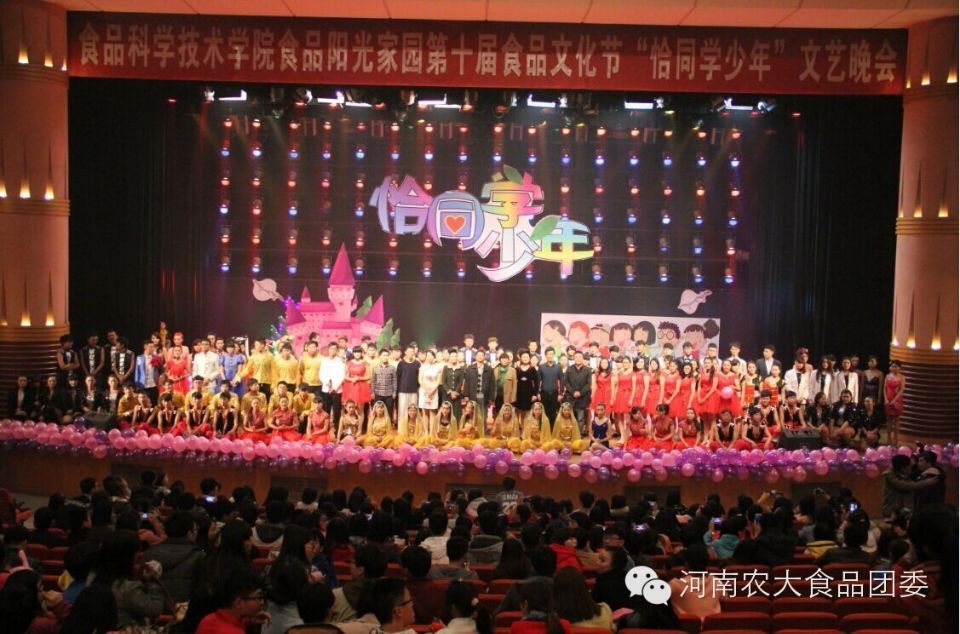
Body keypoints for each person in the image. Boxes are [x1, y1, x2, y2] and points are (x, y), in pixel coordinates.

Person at [92, 530, 165, 627]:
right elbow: (154, 609)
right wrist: (151, 579)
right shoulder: (127, 588)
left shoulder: (96, 579)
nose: (142, 554)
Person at [142, 511, 204, 604]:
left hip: (154, 606)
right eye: (195, 530)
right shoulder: (199, 556)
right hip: (186, 607)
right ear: (189, 533)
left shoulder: (149, 553)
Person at [195, 570, 270, 634]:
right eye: (259, 597)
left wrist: (251, 621)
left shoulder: (208, 619)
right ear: (238, 603)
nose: (262, 602)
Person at [464, 351, 495, 436]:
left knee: (483, 415)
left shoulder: (489, 369)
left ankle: (482, 433)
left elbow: (492, 384)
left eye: (482, 355)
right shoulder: (470, 368)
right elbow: (467, 382)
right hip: (473, 395)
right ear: (475, 357)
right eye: (478, 355)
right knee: (472, 414)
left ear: (484, 357)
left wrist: (491, 398)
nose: (480, 357)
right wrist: (466, 395)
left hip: (484, 396)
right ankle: (473, 432)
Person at [563, 352, 591, 431]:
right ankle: (570, 433)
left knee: (580, 418)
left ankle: (579, 435)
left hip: (582, 398)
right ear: (573, 358)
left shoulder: (587, 370)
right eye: (576, 357)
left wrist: (580, 393)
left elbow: (588, 384)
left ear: (583, 359)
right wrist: (573, 392)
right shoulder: (569, 369)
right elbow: (566, 382)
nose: (578, 359)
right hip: (570, 397)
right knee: (569, 417)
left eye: (580, 357)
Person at [342, 346, 373, 417]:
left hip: (361, 387)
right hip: (351, 387)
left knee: (360, 410)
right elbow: (345, 376)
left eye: (359, 352)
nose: (357, 354)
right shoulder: (349, 363)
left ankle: (360, 424)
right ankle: (351, 423)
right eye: (355, 352)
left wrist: (359, 378)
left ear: (361, 353)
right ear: (353, 353)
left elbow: (369, 376)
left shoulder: (365, 363)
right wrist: (351, 379)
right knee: (350, 408)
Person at [395, 345, 421, 426]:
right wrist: (397, 390)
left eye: (412, 351)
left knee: (413, 409)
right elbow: (398, 377)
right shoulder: (401, 363)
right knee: (402, 409)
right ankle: (402, 427)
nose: (410, 353)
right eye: (408, 351)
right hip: (402, 390)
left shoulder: (417, 363)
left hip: (413, 390)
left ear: (414, 353)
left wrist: (418, 387)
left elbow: (419, 377)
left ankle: (412, 426)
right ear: (405, 352)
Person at [538, 348, 563, 426]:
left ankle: (552, 431)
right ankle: (543, 430)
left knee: (553, 414)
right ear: (545, 355)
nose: (550, 356)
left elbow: (562, 381)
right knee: (543, 413)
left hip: (554, 393)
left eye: (552, 354)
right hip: (544, 393)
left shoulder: (558, 367)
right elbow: (538, 381)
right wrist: (537, 393)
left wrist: (560, 394)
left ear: (554, 355)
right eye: (548, 354)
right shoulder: (541, 367)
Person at [418, 350, 442, 428]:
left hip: (434, 391)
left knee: (432, 412)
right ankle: (425, 431)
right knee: (424, 412)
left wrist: (432, 390)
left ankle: (432, 431)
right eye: (428, 355)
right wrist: (427, 389)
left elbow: (438, 380)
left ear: (434, 357)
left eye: (431, 355)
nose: (429, 357)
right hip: (424, 391)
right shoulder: (422, 367)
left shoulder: (437, 367)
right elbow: (420, 380)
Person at [514, 351, 540, 422]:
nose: (525, 358)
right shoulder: (517, 369)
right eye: (524, 357)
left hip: (529, 394)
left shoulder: (532, 369)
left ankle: (526, 427)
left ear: (529, 358)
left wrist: (534, 394)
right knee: (519, 410)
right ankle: (519, 426)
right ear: (520, 358)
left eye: (527, 357)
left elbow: (536, 383)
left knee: (528, 411)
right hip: (519, 393)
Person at [883, 361, 905, 445]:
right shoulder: (887, 376)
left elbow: (901, 390)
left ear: (899, 368)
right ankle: (888, 439)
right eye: (892, 366)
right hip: (888, 399)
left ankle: (896, 439)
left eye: (895, 366)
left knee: (896, 420)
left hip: (897, 400)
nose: (894, 368)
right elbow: (884, 388)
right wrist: (885, 399)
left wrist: (895, 400)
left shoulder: (902, 377)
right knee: (888, 420)